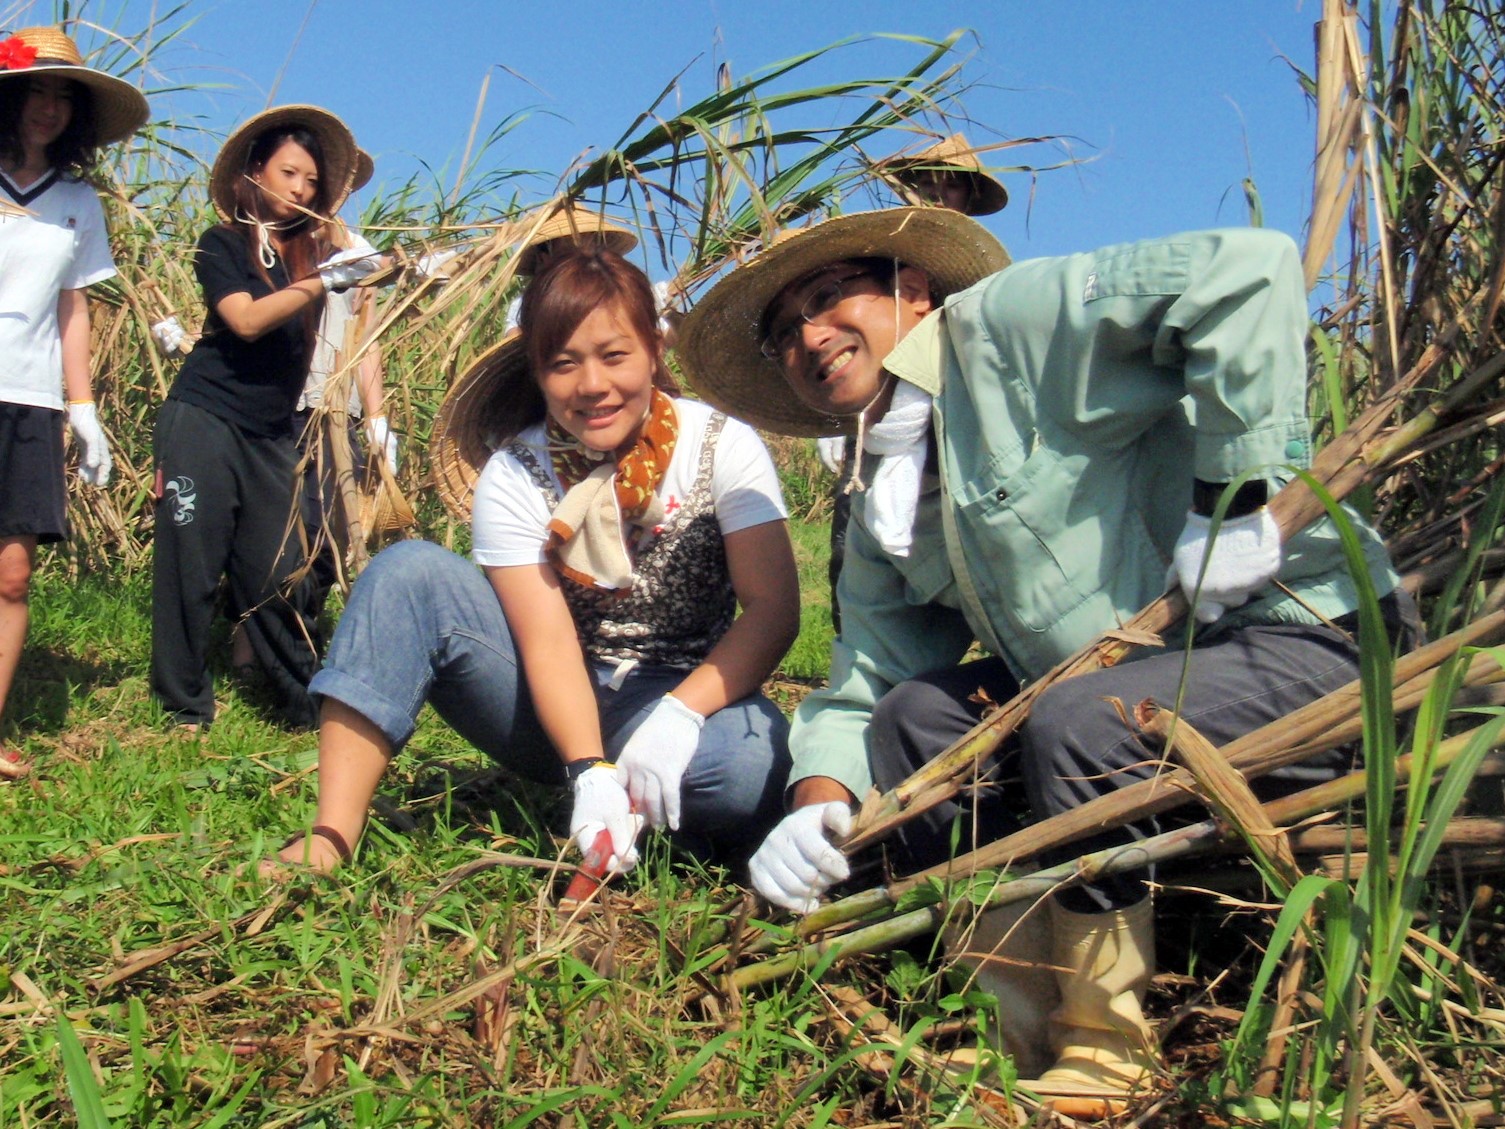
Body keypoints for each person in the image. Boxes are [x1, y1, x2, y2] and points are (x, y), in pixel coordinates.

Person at [677, 207, 1409, 1107]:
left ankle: (1107, 1052)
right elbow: (871, 673)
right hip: (1125, 683)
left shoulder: (1008, 326)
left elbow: (1245, 269)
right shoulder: (881, 485)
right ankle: (1015, 1032)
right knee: (920, 717)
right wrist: (816, 799)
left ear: (912, 290)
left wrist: (1235, 496)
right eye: (783, 332)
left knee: (1080, 717)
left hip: (1296, 638)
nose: (811, 336)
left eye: (830, 298)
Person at [270, 248, 797, 877]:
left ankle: (654, 811)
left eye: (615, 355)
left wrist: (680, 717)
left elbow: (772, 610)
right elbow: (546, 642)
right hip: (546, 698)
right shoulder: (517, 472)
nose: (593, 385)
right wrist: (587, 766)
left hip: (682, 686)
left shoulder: (721, 444)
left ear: (655, 351)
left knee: (751, 771)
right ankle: (334, 832)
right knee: (407, 573)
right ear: (538, 373)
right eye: (564, 363)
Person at [150, 105, 379, 731]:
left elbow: (366, 319)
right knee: (190, 562)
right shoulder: (221, 244)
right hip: (205, 418)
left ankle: (306, 700)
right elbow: (246, 319)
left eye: (311, 181)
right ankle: (182, 705)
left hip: (273, 432)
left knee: (280, 570)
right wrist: (324, 283)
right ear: (255, 173)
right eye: (289, 173)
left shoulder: (314, 256)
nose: (301, 190)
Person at [0, 25, 148, 778]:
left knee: (13, 572)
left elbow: (73, 306)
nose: (48, 107)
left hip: (30, 400)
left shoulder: (76, 201)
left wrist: (84, 408)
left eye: (63, 95)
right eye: (36, 89)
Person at [819, 133, 1009, 631]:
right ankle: (856, 638)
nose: (932, 197)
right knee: (855, 539)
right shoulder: (881, 265)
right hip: (882, 425)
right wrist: (832, 424)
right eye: (923, 186)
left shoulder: (981, 278)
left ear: (967, 197)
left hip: (959, 423)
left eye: (946, 189)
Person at [502, 205, 638, 333]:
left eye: (592, 249)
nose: (584, 261)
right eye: (571, 253)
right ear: (544, 259)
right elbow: (514, 343)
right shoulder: (525, 308)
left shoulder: (620, 295)